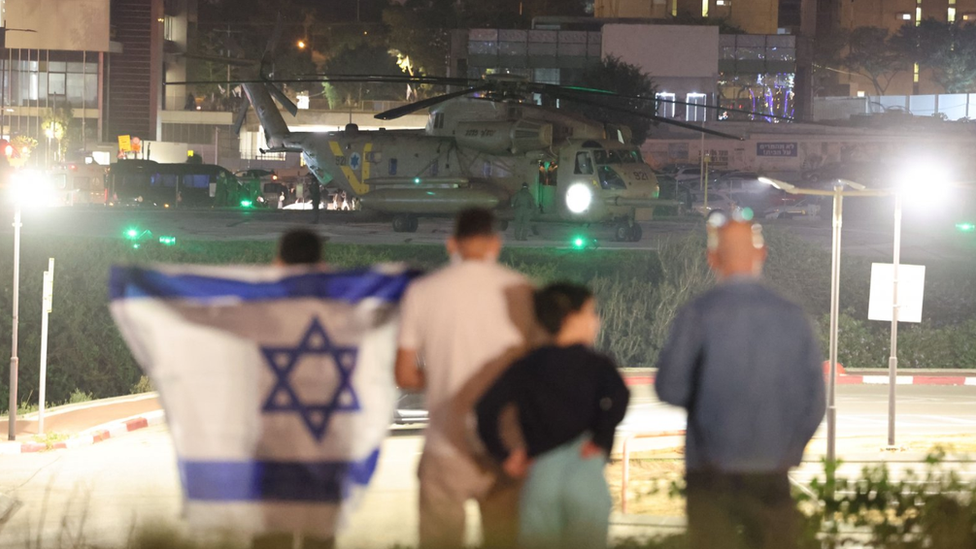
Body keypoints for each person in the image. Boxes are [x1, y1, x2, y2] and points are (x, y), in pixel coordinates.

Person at [654, 211, 826, 549]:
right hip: (772, 471)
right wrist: (790, 451)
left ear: (712, 258)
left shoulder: (698, 313)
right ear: (762, 254)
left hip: (709, 470)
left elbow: (669, 387)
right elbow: (814, 402)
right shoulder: (792, 315)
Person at [395, 207, 540, 549]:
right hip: (506, 446)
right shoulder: (523, 291)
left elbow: (404, 374)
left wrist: (445, 375)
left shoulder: (423, 292)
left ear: (451, 245)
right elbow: (538, 372)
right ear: (496, 244)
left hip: (445, 445)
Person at [476, 282, 629, 549]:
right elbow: (620, 398)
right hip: (585, 470)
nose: (596, 320)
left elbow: (486, 410)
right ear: (571, 318)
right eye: (591, 312)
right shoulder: (597, 363)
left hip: (540, 475)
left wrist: (505, 455)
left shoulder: (525, 365)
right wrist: (602, 439)